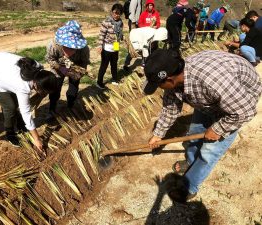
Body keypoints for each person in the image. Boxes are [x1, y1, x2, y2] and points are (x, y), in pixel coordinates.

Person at [144, 49, 262, 200]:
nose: (158, 89)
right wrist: (158, 134)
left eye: (158, 85)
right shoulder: (176, 78)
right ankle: (191, 162)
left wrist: (219, 128)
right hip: (211, 98)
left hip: (240, 100)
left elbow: (245, 111)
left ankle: (190, 185)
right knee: (194, 132)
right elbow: (171, 108)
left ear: (169, 80)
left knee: (210, 150)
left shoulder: (213, 81)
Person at [0, 52, 61, 149]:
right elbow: (26, 112)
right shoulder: (23, 86)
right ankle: (9, 133)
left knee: (15, 101)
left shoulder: (38, 67)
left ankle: (20, 123)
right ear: (37, 86)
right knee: (10, 106)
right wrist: (37, 139)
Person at [46, 20, 90, 113]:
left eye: (73, 48)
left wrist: (78, 74)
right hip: (58, 65)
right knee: (55, 89)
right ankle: (52, 109)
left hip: (75, 66)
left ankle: (70, 105)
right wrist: (60, 68)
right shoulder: (53, 45)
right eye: (67, 46)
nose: (69, 51)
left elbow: (84, 63)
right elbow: (50, 59)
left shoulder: (84, 49)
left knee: (73, 90)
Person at [96, 3, 124, 89]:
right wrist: (100, 45)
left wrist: (123, 37)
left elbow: (119, 34)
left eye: (118, 13)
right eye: (115, 13)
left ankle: (114, 79)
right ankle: (99, 82)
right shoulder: (106, 22)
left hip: (115, 45)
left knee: (114, 64)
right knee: (104, 65)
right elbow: (102, 34)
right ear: (112, 12)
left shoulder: (120, 23)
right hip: (106, 47)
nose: (116, 15)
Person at [123, 0, 142, 72]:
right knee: (133, 44)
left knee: (138, 43)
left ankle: (142, 63)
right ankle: (126, 64)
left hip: (136, 23)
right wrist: (134, 24)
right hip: (134, 23)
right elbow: (132, 11)